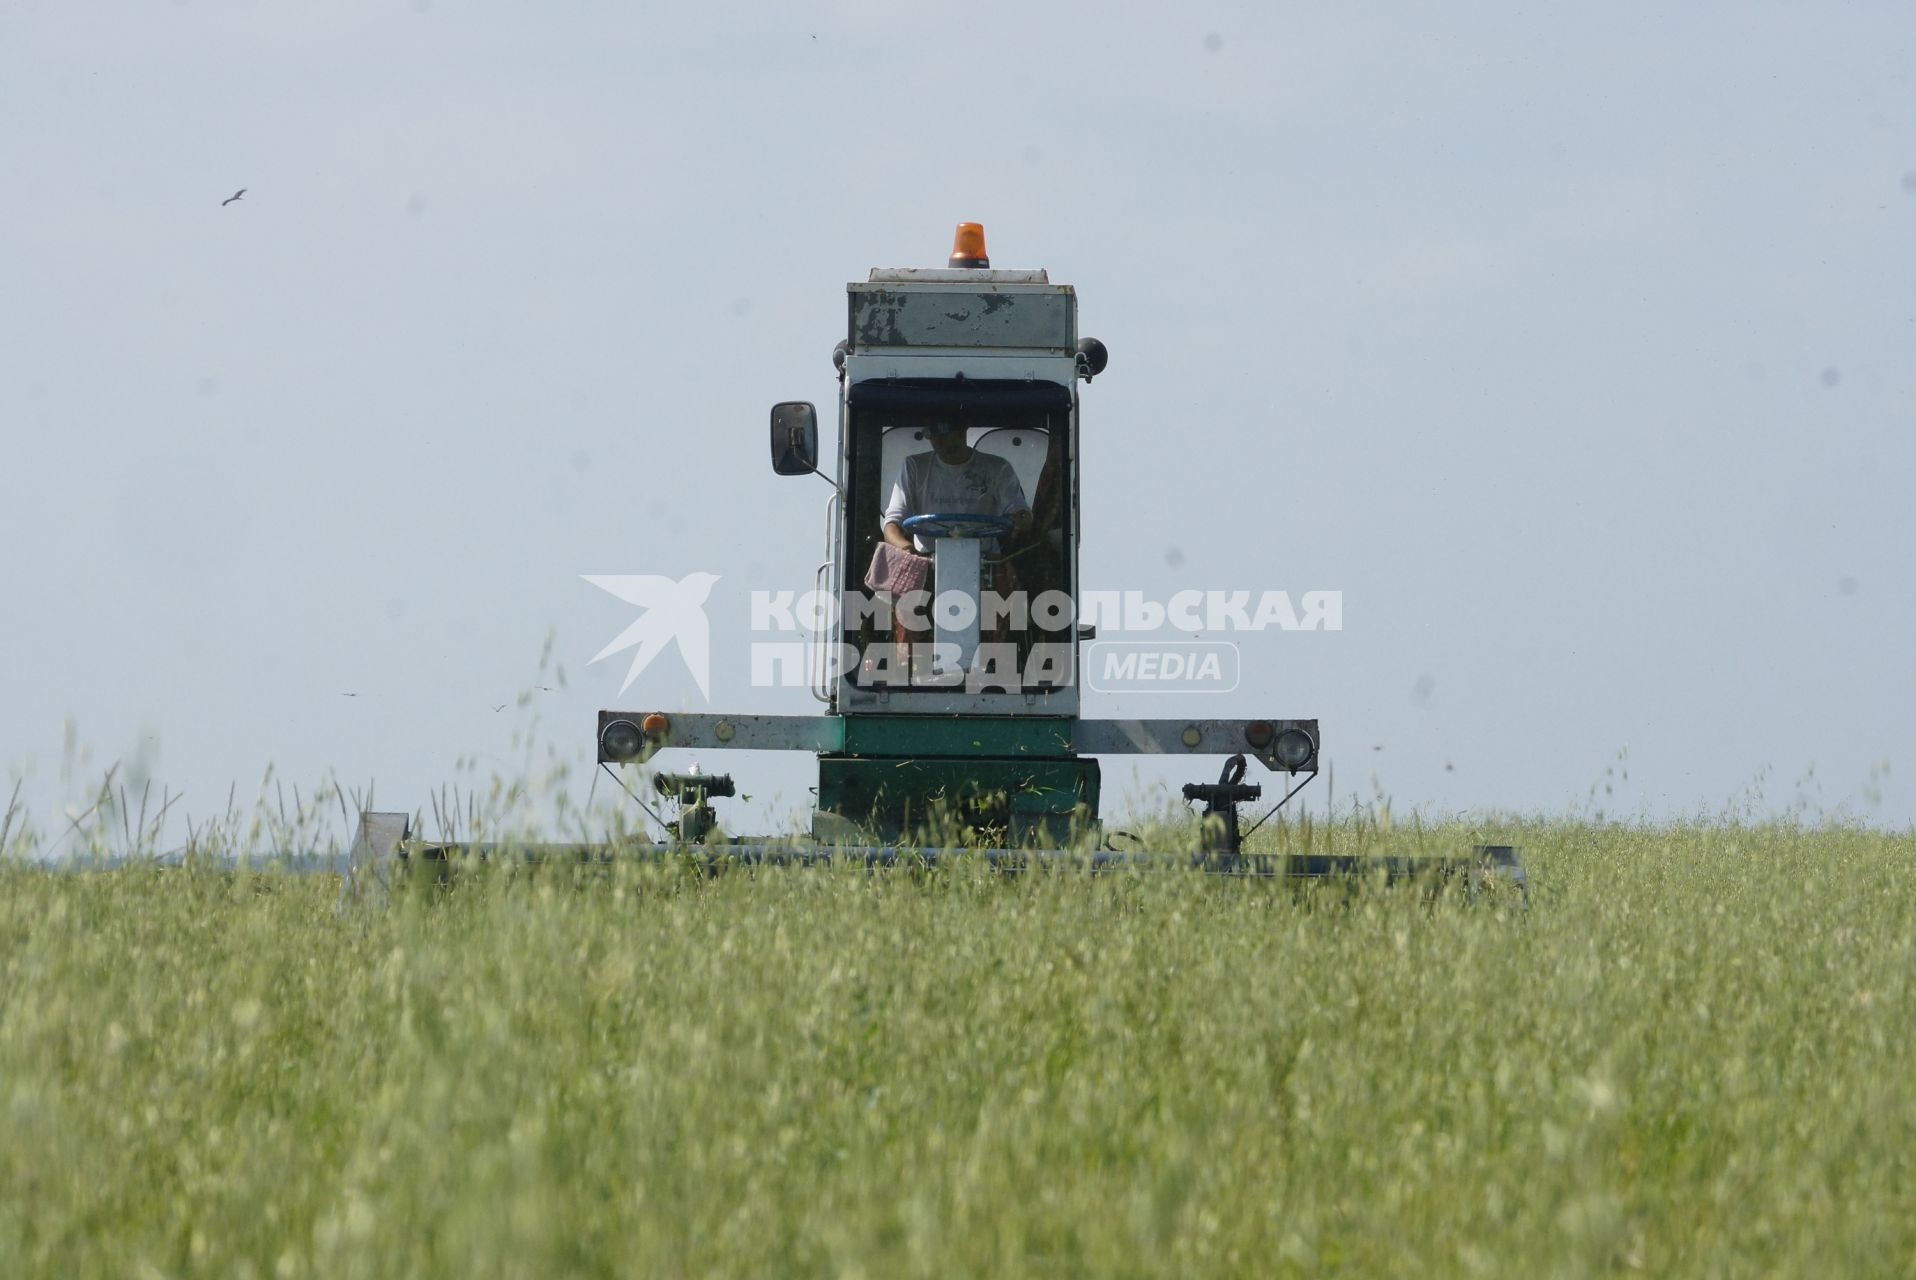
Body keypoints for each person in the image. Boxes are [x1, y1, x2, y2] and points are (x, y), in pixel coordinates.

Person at [874, 421, 1031, 667]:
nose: (941, 439)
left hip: (987, 562)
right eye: (933, 432)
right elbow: (892, 524)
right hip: (927, 562)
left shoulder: (996, 468)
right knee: (908, 601)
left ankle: (999, 663)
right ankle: (909, 665)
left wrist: (1018, 520)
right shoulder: (915, 466)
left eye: (947, 430)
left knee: (1007, 590)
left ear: (963, 429)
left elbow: (1019, 513)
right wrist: (907, 550)